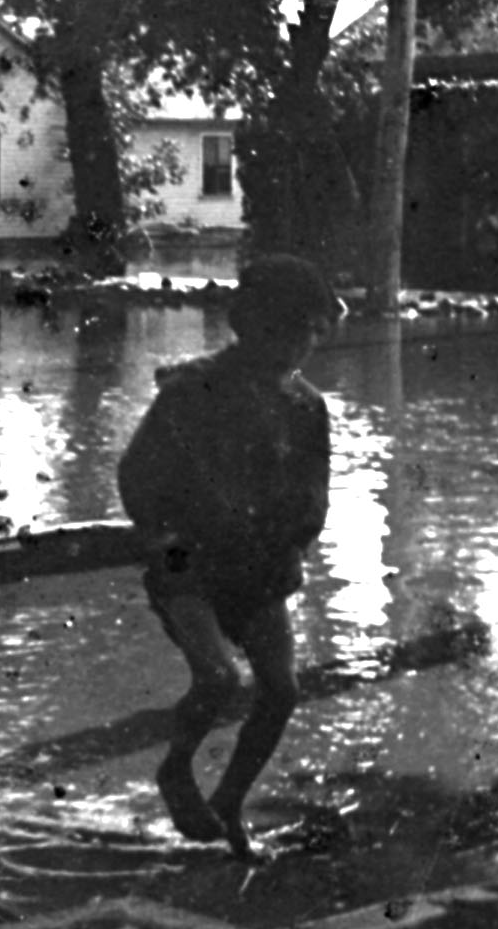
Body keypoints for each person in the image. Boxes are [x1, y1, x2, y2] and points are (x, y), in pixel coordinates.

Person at [117, 254, 338, 859]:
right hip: (188, 565)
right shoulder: (193, 388)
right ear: (253, 326)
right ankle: (176, 768)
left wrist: (296, 531)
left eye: (313, 333)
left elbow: (315, 492)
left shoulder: (307, 407)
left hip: (260, 567)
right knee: (218, 676)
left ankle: (231, 801)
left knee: (281, 690)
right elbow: (137, 475)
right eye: (289, 330)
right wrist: (163, 534)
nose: (301, 345)